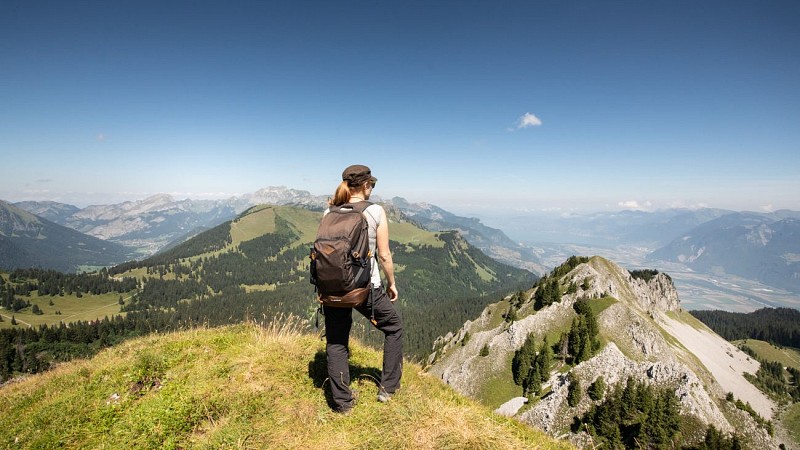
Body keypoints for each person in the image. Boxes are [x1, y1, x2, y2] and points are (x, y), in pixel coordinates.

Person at [322, 164, 403, 414]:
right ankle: (388, 389)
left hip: (333, 288)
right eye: (372, 184)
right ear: (366, 185)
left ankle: (343, 403)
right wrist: (392, 283)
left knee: (336, 341)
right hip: (366, 288)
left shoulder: (329, 212)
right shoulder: (376, 211)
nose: (372, 189)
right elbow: (385, 255)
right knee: (394, 327)